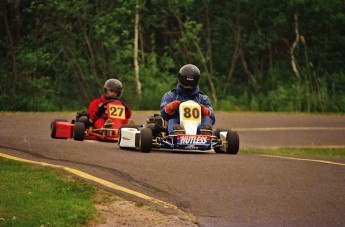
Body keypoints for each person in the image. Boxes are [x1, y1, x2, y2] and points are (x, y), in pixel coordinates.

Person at [160, 64, 215, 135]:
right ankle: (177, 133)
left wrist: (204, 110)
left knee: (207, 120)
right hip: (178, 121)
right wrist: (172, 106)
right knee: (172, 121)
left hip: (198, 124)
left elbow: (212, 117)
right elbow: (163, 114)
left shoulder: (203, 98)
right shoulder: (171, 95)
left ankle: (204, 132)